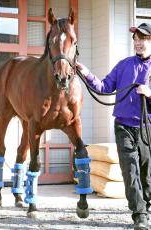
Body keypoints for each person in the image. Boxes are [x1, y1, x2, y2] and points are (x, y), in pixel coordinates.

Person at [76, 23, 151, 230]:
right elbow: (104, 87)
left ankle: (146, 204)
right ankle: (140, 215)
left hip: (147, 127)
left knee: (147, 173)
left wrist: (149, 92)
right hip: (124, 126)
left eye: (142, 39)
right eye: (135, 39)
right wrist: (87, 73)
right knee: (130, 171)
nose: (138, 43)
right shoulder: (123, 65)